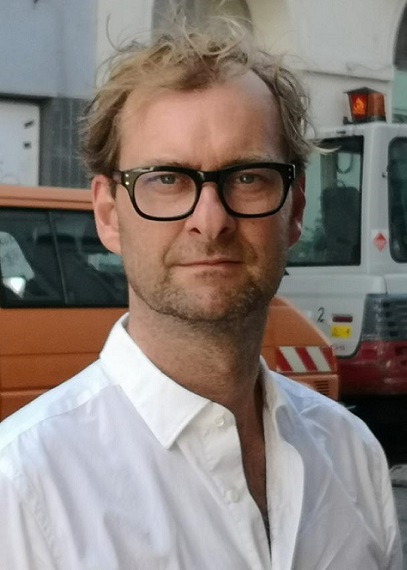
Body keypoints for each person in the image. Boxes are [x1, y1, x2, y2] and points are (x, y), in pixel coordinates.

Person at [0, 17, 402, 570]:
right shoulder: (22, 490)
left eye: (248, 176)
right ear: (108, 214)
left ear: (295, 210)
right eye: (166, 179)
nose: (210, 222)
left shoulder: (351, 453)